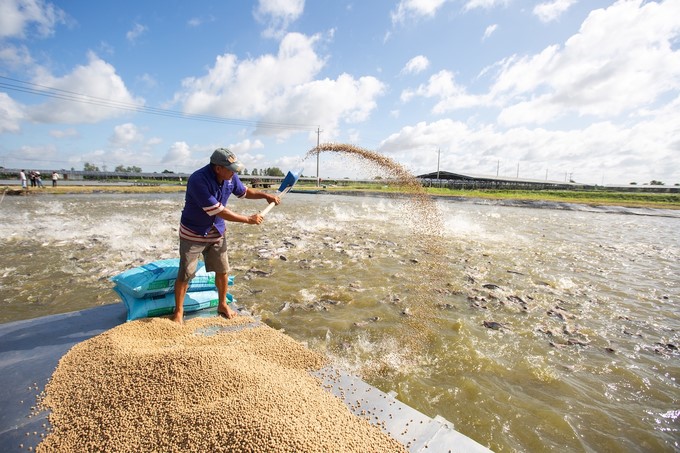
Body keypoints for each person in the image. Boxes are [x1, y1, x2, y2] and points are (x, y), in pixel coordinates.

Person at [171, 148, 280, 324]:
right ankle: (178, 312)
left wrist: (265, 195)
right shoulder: (198, 180)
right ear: (218, 168)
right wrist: (248, 219)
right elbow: (217, 210)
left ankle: (222, 304)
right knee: (185, 272)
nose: (234, 172)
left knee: (222, 270)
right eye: (231, 169)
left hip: (217, 231)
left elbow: (244, 192)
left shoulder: (230, 177)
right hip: (193, 232)